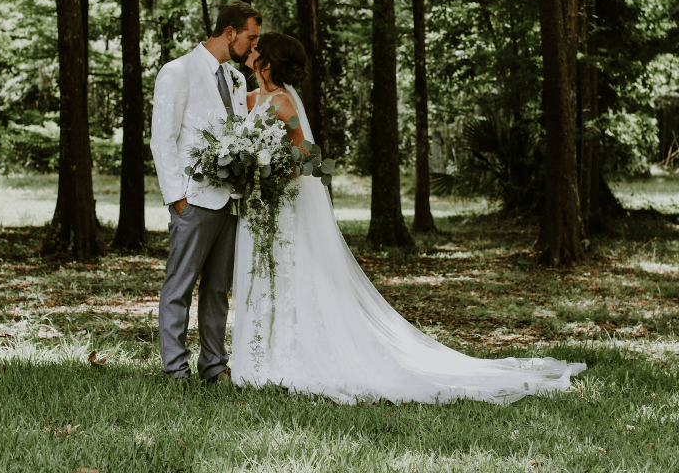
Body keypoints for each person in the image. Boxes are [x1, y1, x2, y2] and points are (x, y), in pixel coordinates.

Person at [231, 32, 586, 404]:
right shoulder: (252, 99)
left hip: (280, 203)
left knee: (290, 271)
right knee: (263, 274)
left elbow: (307, 157)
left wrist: (269, 176)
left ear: (267, 62)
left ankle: (292, 355)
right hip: (257, 208)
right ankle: (259, 354)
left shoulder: (285, 103)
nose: (250, 50)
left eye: (255, 48)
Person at [151, 1, 261, 382]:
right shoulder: (177, 71)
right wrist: (177, 198)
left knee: (218, 289)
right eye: (251, 37)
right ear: (230, 33)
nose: (253, 46)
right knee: (179, 286)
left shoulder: (236, 79)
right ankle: (175, 369)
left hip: (231, 201)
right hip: (193, 200)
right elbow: (161, 139)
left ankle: (214, 365)